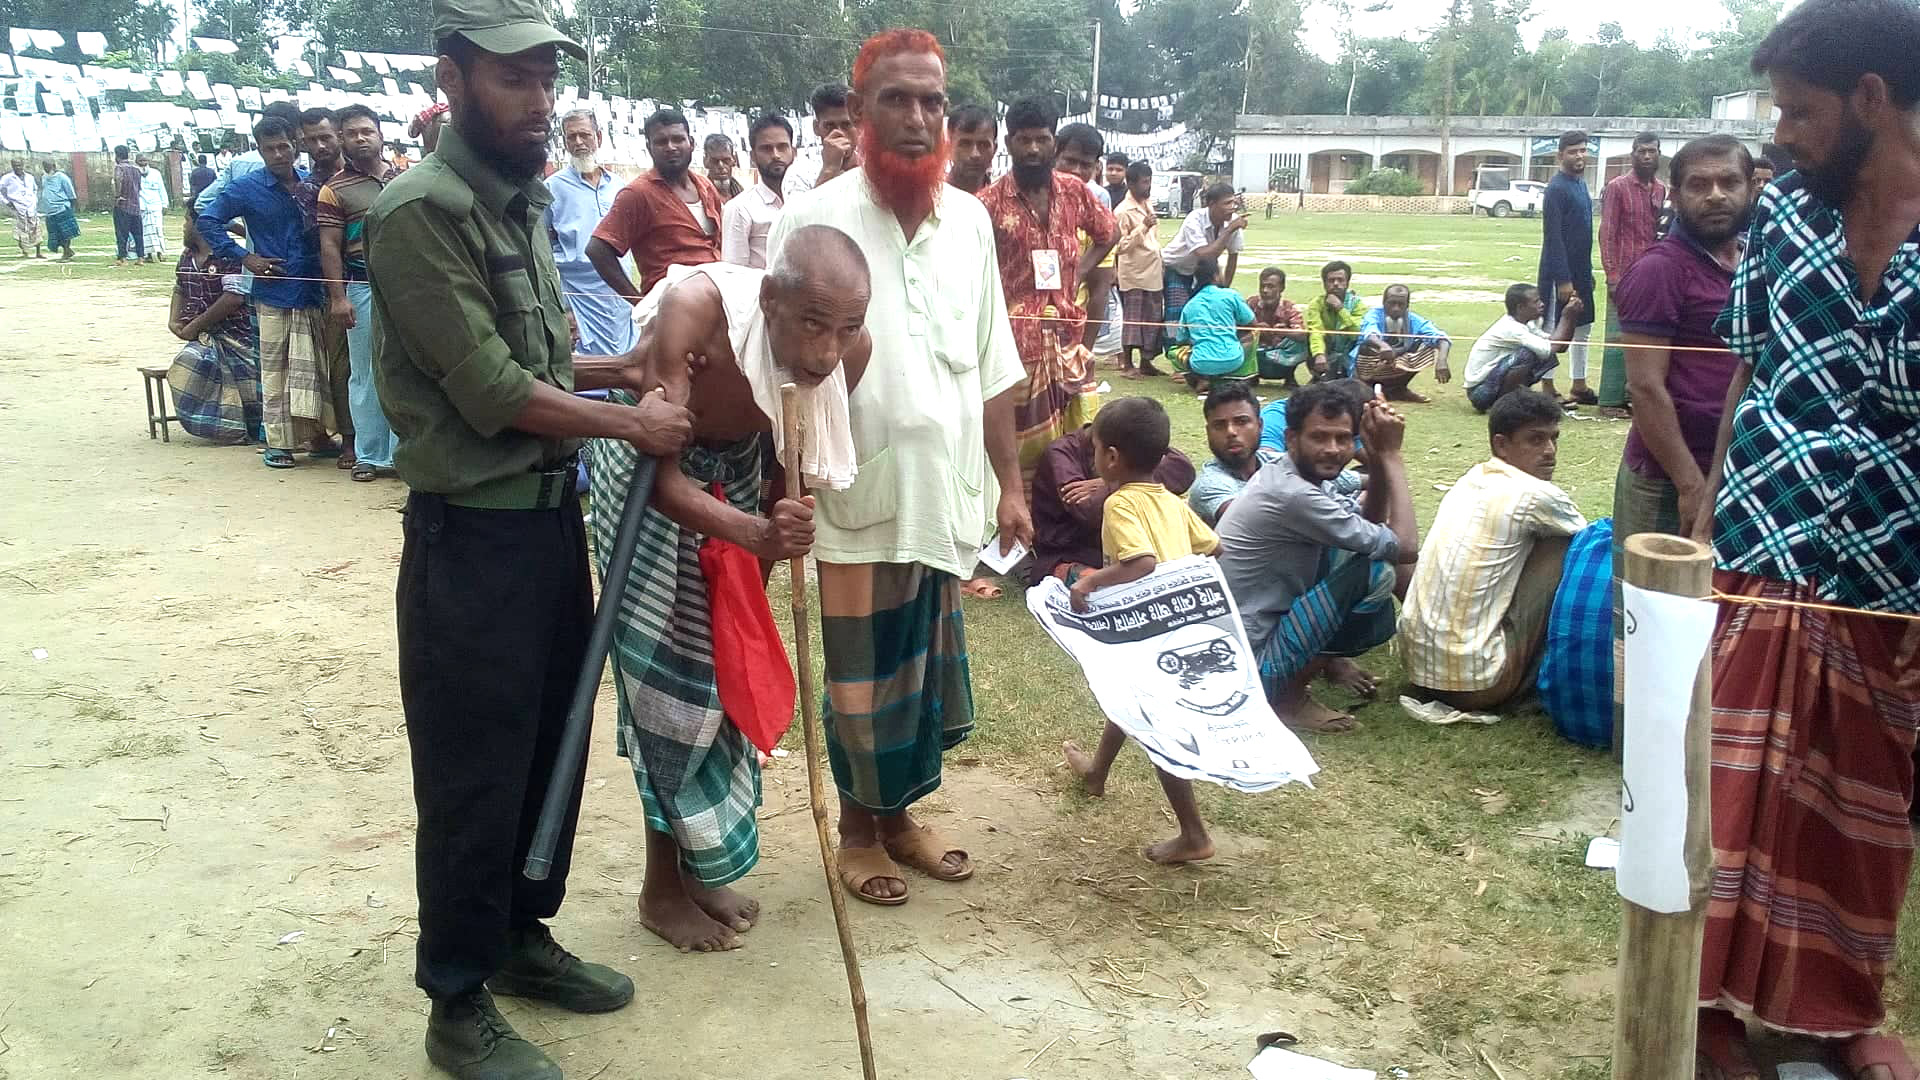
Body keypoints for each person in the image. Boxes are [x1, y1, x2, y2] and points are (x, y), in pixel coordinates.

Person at [367, 7, 696, 1076]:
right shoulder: (420, 214)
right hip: (470, 547)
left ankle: (519, 937)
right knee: (473, 772)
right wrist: (632, 420)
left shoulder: (525, 203)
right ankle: (456, 1000)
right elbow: (495, 391)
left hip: (547, 534)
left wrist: (629, 371)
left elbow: (547, 365)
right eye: (515, 78)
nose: (540, 99)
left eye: (548, 76)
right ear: (454, 77)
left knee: (546, 744)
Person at [1688, 3, 1920, 1075]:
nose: (1779, 136)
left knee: (1858, 800)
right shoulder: (1784, 220)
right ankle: (1707, 1006)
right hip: (1761, 536)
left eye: (1801, 113)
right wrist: (1703, 508)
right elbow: (1748, 367)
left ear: (1874, 101)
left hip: (1890, 574)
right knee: (1730, 784)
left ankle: (1838, 1008)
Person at [766, 27, 1031, 908]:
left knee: (918, 673)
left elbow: (993, 367)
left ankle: (903, 818)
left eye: (933, 102)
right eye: (897, 100)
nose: (919, 119)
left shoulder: (970, 224)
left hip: (945, 491)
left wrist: (1013, 487)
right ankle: (855, 833)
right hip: (855, 493)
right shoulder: (812, 221)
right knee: (864, 676)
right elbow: (774, 367)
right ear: (859, 112)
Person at [590, 234, 870, 952]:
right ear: (769, 302)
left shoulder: (849, 353)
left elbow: (789, 469)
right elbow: (660, 473)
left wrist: (765, 558)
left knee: (723, 677)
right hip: (653, 483)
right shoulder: (693, 313)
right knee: (670, 690)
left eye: (845, 329)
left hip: (740, 479)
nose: (828, 354)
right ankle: (661, 889)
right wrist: (750, 533)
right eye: (812, 325)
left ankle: (700, 866)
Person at [1610, 135, 1753, 724]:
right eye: (1699, 184)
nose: (1715, 195)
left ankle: (1694, 744)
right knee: (1646, 617)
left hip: (1731, 472)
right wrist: (1694, 486)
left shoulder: (1748, 262)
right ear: (1676, 193)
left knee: (1707, 616)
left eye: (1728, 182)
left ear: (1751, 188)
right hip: (1667, 477)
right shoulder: (1659, 270)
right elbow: (1645, 389)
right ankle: (1634, 760)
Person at [1059, 398, 1222, 865]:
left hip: (1149, 630)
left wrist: (1090, 581)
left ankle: (1194, 834)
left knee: (1155, 727)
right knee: (1126, 695)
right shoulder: (1172, 502)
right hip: (1180, 626)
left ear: (1110, 457)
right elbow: (1216, 547)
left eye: (1093, 449)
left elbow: (1141, 562)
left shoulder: (1119, 504)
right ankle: (1096, 773)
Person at [1216, 382, 1417, 734]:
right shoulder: (1292, 494)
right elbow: (1405, 547)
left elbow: (1366, 528)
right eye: (1319, 437)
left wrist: (1375, 458)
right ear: (1292, 438)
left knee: (1360, 556)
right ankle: (1287, 699)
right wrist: (1391, 456)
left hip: (1242, 644)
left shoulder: (1296, 475)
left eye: (1343, 438)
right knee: (1376, 574)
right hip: (1245, 665)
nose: (1333, 449)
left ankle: (1300, 680)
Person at [1399, 391, 1586, 711]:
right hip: (1479, 684)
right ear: (1501, 444)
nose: (1550, 452)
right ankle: (1548, 675)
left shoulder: (1471, 478)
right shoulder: (1536, 495)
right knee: (1571, 546)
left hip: (1419, 671)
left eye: (1554, 439)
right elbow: (1592, 543)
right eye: (1536, 440)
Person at [978, 98, 1117, 496]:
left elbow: (1109, 234)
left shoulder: (1075, 192)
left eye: (1042, 140)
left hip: (1068, 339)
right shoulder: (987, 203)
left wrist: (1079, 273)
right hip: (1013, 345)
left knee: (1072, 443)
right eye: (1025, 140)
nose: (1034, 150)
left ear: (1053, 141)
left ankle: (1061, 515)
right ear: (1009, 142)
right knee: (1016, 447)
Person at [197, 116, 341, 470]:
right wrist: (246, 257)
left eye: (284, 147)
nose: (278, 154)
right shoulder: (246, 188)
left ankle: (319, 436)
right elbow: (207, 218)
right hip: (273, 291)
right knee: (276, 370)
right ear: (260, 151)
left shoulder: (313, 183)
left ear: (296, 145)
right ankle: (277, 443)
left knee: (316, 368)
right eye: (269, 149)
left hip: (313, 289)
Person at [317, 104, 402, 482]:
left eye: (367, 131)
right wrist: (338, 297)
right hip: (361, 287)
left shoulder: (407, 179)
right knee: (365, 372)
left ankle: (406, 453)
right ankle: (369, 454)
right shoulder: (333, 191)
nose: (361, 138)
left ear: (381, 134)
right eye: (352, 133)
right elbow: (330, 247)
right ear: (342, 140)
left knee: (407, 369)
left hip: (407, 290)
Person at [1029, 421, 1195, 586]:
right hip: (1072, 547)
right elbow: (1085, 509)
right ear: (1111, 456)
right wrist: (1124, 479)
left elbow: (1183, 470)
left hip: (1126, 547)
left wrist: (1110, 482)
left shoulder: (1128, 446)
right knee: (1073, 574)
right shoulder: (1061, 454)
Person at [588, 108, 724, 300]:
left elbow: (720, 244)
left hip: (716, 301)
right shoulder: (638, 193)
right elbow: (597, 249)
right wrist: (637, 301)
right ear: (649, 147)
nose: (671, 147)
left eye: (678, 139)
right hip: (671, 308)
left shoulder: (706, 187)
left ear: (691, 143)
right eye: (661, 142)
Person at [546, 108, 636, 356]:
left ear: (598, 137)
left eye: (584, 135)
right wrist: (561, 306)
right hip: (579, 299)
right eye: (571, 137)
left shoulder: (618, 186)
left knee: (626, 360)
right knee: (590, 370)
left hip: (619, 294)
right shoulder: (552, 188)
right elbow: (540, 249)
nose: (578, 143)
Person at [167, 216, 262, 444]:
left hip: (236, 336)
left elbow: (233, 298)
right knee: (192, 359)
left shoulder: (230, 256)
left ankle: (235, 426)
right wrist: (174, 321)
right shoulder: (187, 257)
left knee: (190, 360)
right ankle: (222, 422)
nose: (183, 226)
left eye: (186, 220)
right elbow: (179, 287)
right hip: (203, 336)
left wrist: (194, 326)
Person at [297, 109, 356, 470]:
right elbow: (323, 245)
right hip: (332, 288)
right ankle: (348, 439)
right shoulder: (307, 189)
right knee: (340, 367)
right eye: (311, 140)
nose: (320, 146)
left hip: (375, 282)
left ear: (339, 135)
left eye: (325, 137)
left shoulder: (365, 175)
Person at [1596, 131, 1665, 415]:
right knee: (1616, 337)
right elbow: (1607, 233)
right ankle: (1609, 400)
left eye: (1652, 151)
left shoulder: (1661, 189)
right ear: (1632, 154)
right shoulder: (1617, 187)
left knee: (1646, 339)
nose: (1647, 156)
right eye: (1641, 151)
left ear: (1659, 154)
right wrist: (1612, 276)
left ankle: (1634, 396)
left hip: (1653, 276)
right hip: (1623, 276)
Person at [1054, 122, 1121, 369]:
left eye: (1085, 165)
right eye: (1069, 161)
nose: (1076, 171)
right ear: (1054, 155)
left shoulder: (1096, 213)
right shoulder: (1031, 200)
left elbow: (1100, 289)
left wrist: (1085, 352)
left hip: (1071, 334)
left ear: (1096, 168)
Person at [1538, 129, 1596, 405]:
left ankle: (1579, 384)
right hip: (1557, 273)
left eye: (1583, 150)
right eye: (1573, 151)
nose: (1580, 156)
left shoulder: (1580, 185)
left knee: (1583, 326)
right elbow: (1553, 237)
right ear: (1561, 155)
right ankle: (1547, 385)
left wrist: (1588, 273)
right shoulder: (1556, 188)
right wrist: (1562, 279)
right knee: (1552, 327)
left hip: (1582, 270)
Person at [1462, 284, 1584, 413]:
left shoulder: (1527, 324)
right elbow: (1550, 348)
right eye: (1536, 302)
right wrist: (1566, 316)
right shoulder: (1511, 328)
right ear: (1520, 307)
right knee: (1527, 354)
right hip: (1480, 392)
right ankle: (1506, 404)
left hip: (1490, 384)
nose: (1542, 304)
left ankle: (1517, 399)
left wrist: (1572, 317)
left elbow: (1559, 347)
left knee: (1543, 354)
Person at [1187, 381, 1276, 526]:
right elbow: (1257, 524)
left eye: (1241, 421)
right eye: (1219, 425)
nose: (1231, 432)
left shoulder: (1280, 463)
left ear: (1260, 426)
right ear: (1208, 432)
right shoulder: (1209, 486)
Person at [196, 101, 305, 213]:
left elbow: (203, 202)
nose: (302, 136)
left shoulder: (239, 162)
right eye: (300, 130)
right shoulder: (276, 165)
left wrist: (240, 229)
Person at [719, 112, 795, 270]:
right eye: (766, 149)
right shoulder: (739, 208)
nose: (775, 155)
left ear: (793, 152)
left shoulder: (806, 199)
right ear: (753, 156)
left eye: (782, 147)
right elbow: (734, 273)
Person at [1112, 160, 1166, 378]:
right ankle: (1127, 364)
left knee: (1153, 317)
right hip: (1133, 272)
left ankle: (1146, 362)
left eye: (1149, 181)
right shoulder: (1123, 211)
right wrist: (1143, 226)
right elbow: (1119, 246)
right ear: (1131, 184)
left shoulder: (1147, 204)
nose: (1148, 186)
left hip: (1152, 271)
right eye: (1144, 182)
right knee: (1133, 318)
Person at [1352, 284, 1450, 403]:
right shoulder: (1374, 315)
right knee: (1367, 346)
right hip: (1370, 362)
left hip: (1396, 360)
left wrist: (1442, 361)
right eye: (1392, 303)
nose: (1396, 308)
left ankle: (1399, 389)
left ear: (1407, 305)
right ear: (1384, 302)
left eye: (1401, 304)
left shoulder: (1413, 320)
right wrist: (1382, 346)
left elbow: (1441, 338)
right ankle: (1366, 388)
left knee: (1426, 345)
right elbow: (1370, 333)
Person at [1162, 182, 1246, 317]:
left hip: (1203, 271)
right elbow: (1203, 254)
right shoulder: (1194, 219)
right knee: (1178, 312)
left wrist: (1224, 289)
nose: (1232, 208)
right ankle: (1173, 338)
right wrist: (1229, 230)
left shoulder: (1234, 221)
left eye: (1233, 202)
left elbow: (1233, 257)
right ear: (1212, 204)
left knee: (1205, 311)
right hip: (1176, 269)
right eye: (1226, 203)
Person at [1171, 255, 1255, 390]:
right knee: (1254, 334)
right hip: (1232, 359)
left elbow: (1181, 340)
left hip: (1200, 363)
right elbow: (1252, 323)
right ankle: (1240, 377)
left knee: (1174, 351)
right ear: (1216, 276)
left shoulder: (1190, 304)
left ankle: (1202, 379)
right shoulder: (1231, 295)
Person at [786, 82, 858, 195]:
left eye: (846, 125)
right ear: (816, 127)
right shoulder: (799, 174)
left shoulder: (871, 167)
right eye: (829, 126)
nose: (839, 133)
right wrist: (829, 170)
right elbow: (800, 212)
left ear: (858, 125)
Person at [1304, 260, 1366, 379]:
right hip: (1328, 352)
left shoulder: (1358, 304)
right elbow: (1316, 331)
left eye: (1340, 280)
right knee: (1308, 336)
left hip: (1350, 351)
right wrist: (1319, 354)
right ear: (1324, 283)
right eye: (1331, 280)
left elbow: (1356, 333)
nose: (1336, 284)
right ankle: (1319, 375)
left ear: (1347, 283)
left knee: (1366, 343)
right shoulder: (1316, 304)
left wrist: (1340, 309)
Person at [1249, 266, 1307, 384]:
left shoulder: (1289, 307)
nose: (1265, 290)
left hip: (1281, 357)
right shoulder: (1251, 304)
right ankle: (1250, 374)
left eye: (1270, 286)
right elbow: (1236, 326)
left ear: (1281, 288)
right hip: (1258, 354)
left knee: (1304, 341)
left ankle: (1289, 375)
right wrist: (1255, 328)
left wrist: (1284, 331)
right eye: (1262, 286)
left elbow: (1302, 334)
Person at [945, 103, 997, 195]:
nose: (975, 154)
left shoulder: (1004, 201)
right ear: (948, 146)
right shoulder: (929, 200)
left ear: (995, 149)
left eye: (983, 145)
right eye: (965, 144)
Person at [1, 158, 41, 259]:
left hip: (31, 206)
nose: (18, 167)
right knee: (21, 230)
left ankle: (38, 252)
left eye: (19, 165)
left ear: (23, 165)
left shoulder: (30, 177)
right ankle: (25, 251)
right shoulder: (7, 178)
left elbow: (35, 189)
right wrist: (7, 202)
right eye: (15, 165)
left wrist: (34, 200)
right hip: (18, 206)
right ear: (12, 166)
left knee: (35, 228)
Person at [37, 159, 76, 261]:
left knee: (65, 233)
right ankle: (67, 250)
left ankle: (66, 252)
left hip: (62, 208)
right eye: (45, 167)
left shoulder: (62, 177)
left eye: (48, 167)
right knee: (55, 234)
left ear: (54, 166)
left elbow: (71, 193)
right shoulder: (44, 177)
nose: (47, 169)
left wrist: (71, 208)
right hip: (50, 211)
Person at [112, 145, 145, 266]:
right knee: (138, 233)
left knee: (122, 233)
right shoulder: (136, 169)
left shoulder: (119, 168)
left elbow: (118, 181)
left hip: (123, 205)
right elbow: (139, 187)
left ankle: (122, 258)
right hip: (136, 205)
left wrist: (117, 196)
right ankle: (141, 257)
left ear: (117, 155)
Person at [137, 153, 169, 261]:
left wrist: (165, 204)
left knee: (158, 230)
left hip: (156, 206)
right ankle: (148, 255)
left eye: (145, 161)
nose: (143, 163)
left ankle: (161, 253)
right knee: (145, 232)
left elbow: (162, 189)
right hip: (142, 206)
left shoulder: (156, 173)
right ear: (137, 162)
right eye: (141, 161)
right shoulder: (135, 173)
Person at [702, 133, 743, 201]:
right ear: (705, 161)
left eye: (726, 160)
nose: (721, 166)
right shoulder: (700, 195)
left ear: (734, 160)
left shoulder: (744, 195)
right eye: (714, 161)